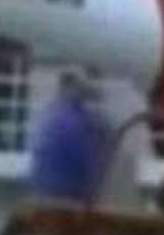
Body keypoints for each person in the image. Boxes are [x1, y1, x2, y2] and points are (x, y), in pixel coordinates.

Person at [29, 71, 109, 207]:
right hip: (68, 188)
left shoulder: (51, 113)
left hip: (53, 186)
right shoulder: (73, 117)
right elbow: (85, 151)